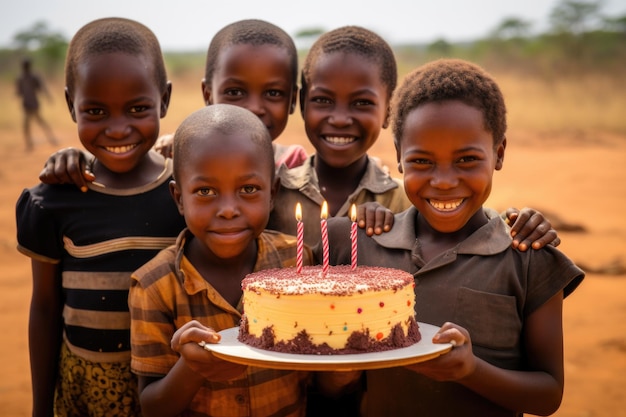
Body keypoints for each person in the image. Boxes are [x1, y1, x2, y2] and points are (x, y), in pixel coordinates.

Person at [324, 58, 585, 416]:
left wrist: (471, 370)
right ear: (399, 156)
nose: (444, 181)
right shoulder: (363, 245)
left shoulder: (528, 257)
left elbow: (548, 394)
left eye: (466, 160)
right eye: (422, 162)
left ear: (499, 153)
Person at [129, 104, 358, 417]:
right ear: (179, 198)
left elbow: (320, 381)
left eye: (248, 189)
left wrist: (344, 368)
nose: (227, 209)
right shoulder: (154, 286)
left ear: (272, 192)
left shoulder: (298, 263)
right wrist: (193, 368)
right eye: (206, 190)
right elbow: (153, 407)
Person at [15, 17, 185, 417]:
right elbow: (44, 306)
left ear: (164, 99)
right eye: (95, 110)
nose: (118, 128)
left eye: (138, 108)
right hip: (84, 391)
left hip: (172, 387)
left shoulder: (187, 192)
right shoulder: (52, 201)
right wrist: (41, 407)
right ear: (70, 103)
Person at [266, 25, 558, 252]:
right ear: (302, 103)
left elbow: (469, 223)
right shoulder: (272, 191)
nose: (341, 118)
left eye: (362, 103)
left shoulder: (410, 198)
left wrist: (520, 225)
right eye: (323, 100)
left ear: (389, 110)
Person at [40, 18, 308, 192]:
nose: (253, 108)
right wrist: (79, 159)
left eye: (273, 93)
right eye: (235, 91)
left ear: (292, 100)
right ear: (208, 95)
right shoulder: (182, 158)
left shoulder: (294, 165)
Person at [15, 57, 58, 151]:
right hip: (26, 105)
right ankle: (29, 144)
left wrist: (48, 97)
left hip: (33, 104)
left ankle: (52, 139)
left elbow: (42, 88)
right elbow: (18, 92)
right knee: (27, 124)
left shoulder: (33, 77)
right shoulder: (21, 78)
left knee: (40, 122)